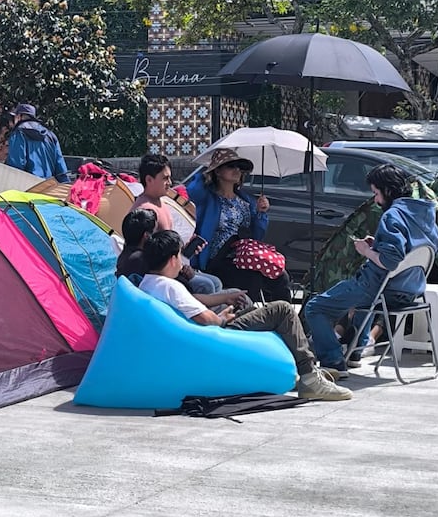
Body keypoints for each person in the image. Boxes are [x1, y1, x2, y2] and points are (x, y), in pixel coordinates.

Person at [138, 230, 352, 402]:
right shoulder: (171, 287)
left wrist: (227, 298)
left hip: (199, 334)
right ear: (173, 258)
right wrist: (222, 317)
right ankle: (309, 376)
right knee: (282, 309)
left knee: (248, 306)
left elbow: (192, 302)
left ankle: (298, 370)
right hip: (214, 335)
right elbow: (204, 319)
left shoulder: (149, 283)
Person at [304, 163, 438, 372]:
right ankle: (354, 351)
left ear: (387, 190)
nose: (376, 200)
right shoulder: (425, 213)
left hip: (380, 287)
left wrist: (366, 251)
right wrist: (377, 244)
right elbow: (414, 252)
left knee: (315, 307)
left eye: (376, 193)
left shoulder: (392, 215)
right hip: (410, 290)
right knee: (364, 302)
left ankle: (332, 361)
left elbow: (390, 261)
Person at [186, 147, 293, 303]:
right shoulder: (208, 198)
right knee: (252, 277)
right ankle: (247, 318)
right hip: (216, 259)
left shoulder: (246, 201)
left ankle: (284, 317)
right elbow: (192, 191)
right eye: (230, 166)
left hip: (242, 257)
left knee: (281, 276)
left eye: (239, 167)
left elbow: (257, 236)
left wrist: (261, 213)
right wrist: (207, 170)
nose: (237, 170)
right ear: (217, 171)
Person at [129, 153, 222, 295]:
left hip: (174, 264)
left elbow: (166, 245)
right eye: (165, 178)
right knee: (207, 285)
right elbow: (151, 257)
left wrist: (186, 250)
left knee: (216, 282)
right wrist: (181, 270)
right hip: (160, 275)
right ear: (149, 179)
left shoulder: (160, 202)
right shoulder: (146, 211)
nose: (170, 183)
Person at [5, 102, 71, 183]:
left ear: (19, 117)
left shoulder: (19, 133)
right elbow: (61, 170)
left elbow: (15, 165)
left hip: (27, 188)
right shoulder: (51, 135)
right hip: (48, 188)